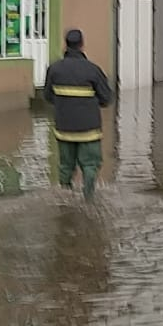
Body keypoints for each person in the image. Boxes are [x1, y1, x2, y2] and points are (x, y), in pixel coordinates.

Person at [43, 27, 113, 199]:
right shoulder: (92, 70)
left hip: (64, 128)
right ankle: (88, 200)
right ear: (82, 45)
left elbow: (48, 97)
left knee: (66, 166)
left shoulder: (54, 69)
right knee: (90, 165)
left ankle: (65, 198)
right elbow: (107, 98)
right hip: (88, 130)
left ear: (66, 45)